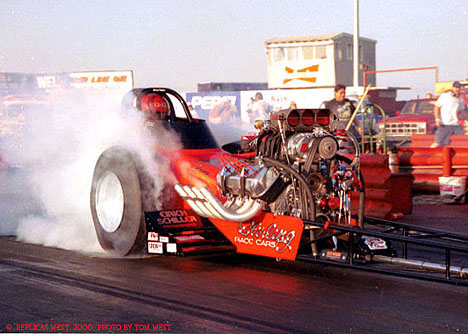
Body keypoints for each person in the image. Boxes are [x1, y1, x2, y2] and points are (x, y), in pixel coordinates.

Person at [430, 81, 466, 148]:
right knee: (437, 143)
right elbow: (436, 107)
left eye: (458, 88)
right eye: (455, 87)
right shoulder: (445, 96)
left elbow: (462, 111)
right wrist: (437, 119)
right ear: (452, 88)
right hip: (445, 125)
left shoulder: (460, 99)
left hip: (456, 125)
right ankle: (427, 155)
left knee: (463, 142)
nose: (457, 89)